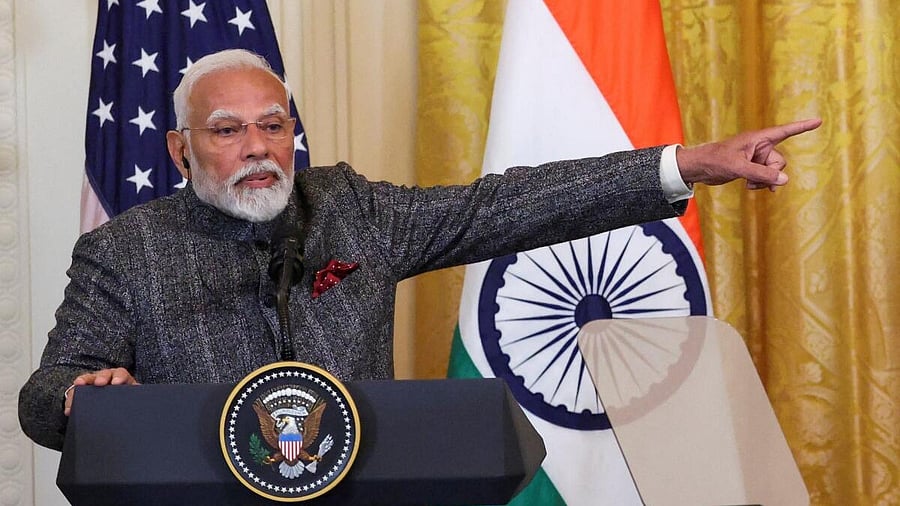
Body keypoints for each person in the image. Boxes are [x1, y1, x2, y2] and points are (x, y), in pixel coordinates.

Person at [18, 49, 821, 450]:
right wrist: (84, 394)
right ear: (180, 150)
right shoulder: (126, 251)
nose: (258, 147)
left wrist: (685, 165)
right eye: (227, 131)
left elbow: (504, 206)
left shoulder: (348, 209)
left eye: (274, 125)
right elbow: (43, 393)